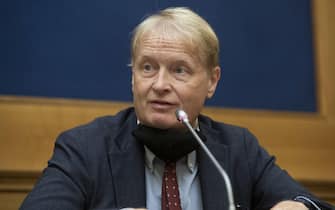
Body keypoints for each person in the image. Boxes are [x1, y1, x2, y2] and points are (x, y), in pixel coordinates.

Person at [20, 7, 333, 210]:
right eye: (147, 68)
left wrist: (299, 207)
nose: (159, 84)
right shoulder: (85, 148)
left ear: (212, 81)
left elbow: (312, 204)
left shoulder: (238, 149)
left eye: (179, 70)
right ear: (132, 77)